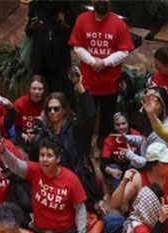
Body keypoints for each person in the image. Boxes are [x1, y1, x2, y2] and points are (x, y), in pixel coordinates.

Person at [68, 0, 133, 140]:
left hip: (110, 85)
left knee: (107, 123)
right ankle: (83, 151)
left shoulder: (119, 24)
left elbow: (125, 51)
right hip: (87, 84)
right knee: (85, 120)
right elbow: (77, 46)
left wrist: (105, 62)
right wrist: (92, 61)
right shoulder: (82, 19)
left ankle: (103, 150)